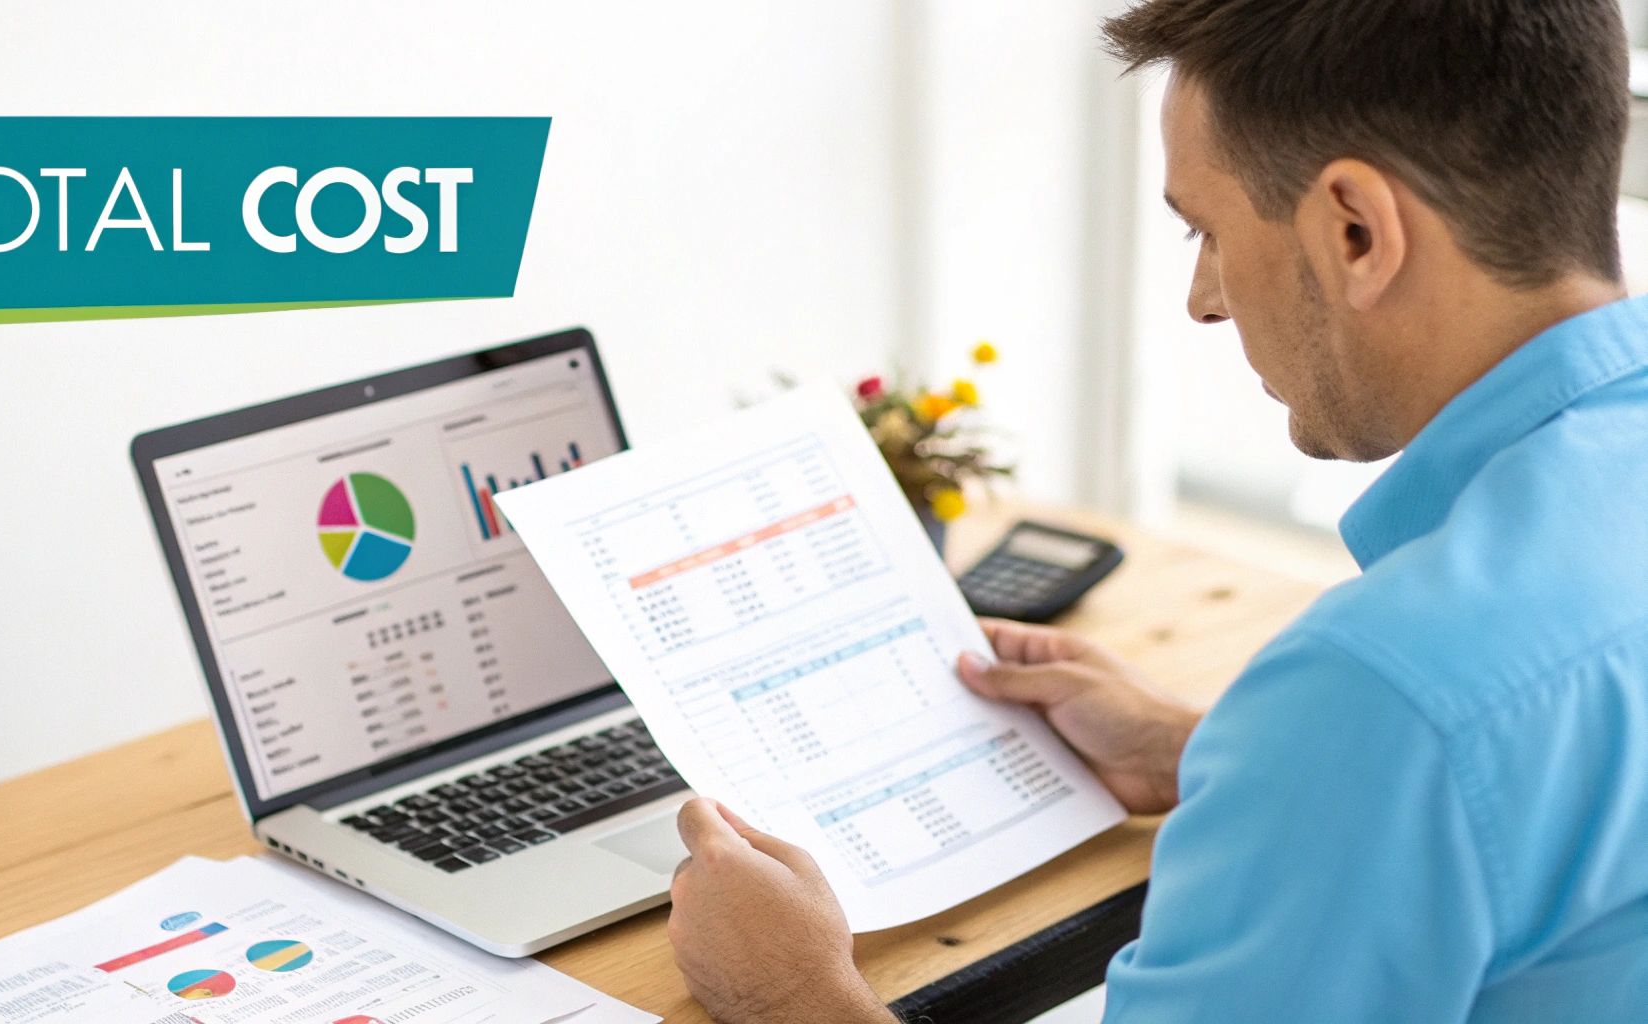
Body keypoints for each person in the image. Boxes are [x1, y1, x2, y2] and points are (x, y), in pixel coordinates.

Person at [665, 0, 1648, 1020]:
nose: (1202, 299)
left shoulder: (1380, 690)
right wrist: (1213, 756)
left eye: (1208, 231)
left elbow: (1419, 725)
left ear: (1356, 231)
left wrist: (790, 991)